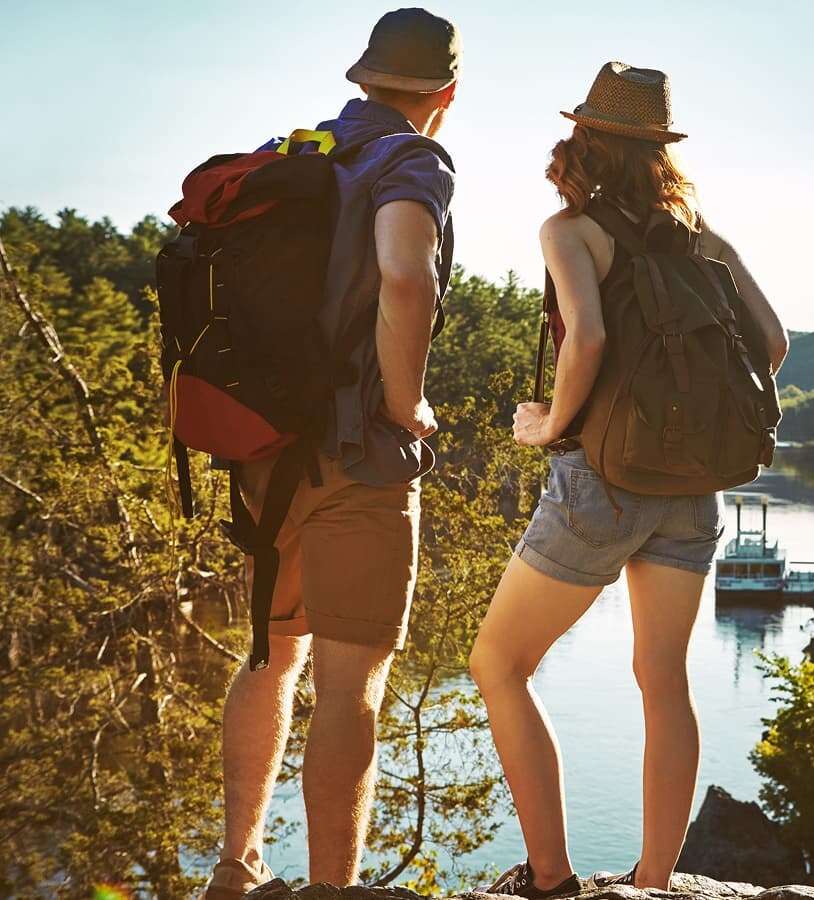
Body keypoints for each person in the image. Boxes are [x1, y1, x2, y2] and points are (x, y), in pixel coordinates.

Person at [469, 62, 789, 898]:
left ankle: (550, 879)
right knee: (663, 679)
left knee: (498, 663)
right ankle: (653, 883)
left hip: (602, 484)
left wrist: (548, 423)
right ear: (658, 150)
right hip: (693, 486)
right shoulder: (696, 230)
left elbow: (588, 341)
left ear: (584, 141)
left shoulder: (569, 230)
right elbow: (776, 342)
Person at [203, 8, 459, 897]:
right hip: (361, 456)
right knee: (351, 684)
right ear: (445, 95)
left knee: (269, 657)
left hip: (266, 448)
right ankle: (331, 887)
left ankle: (235, 869)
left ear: (362, 80)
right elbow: (405, 273)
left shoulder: (297, 153)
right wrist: (407, 401)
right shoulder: (411, 159)